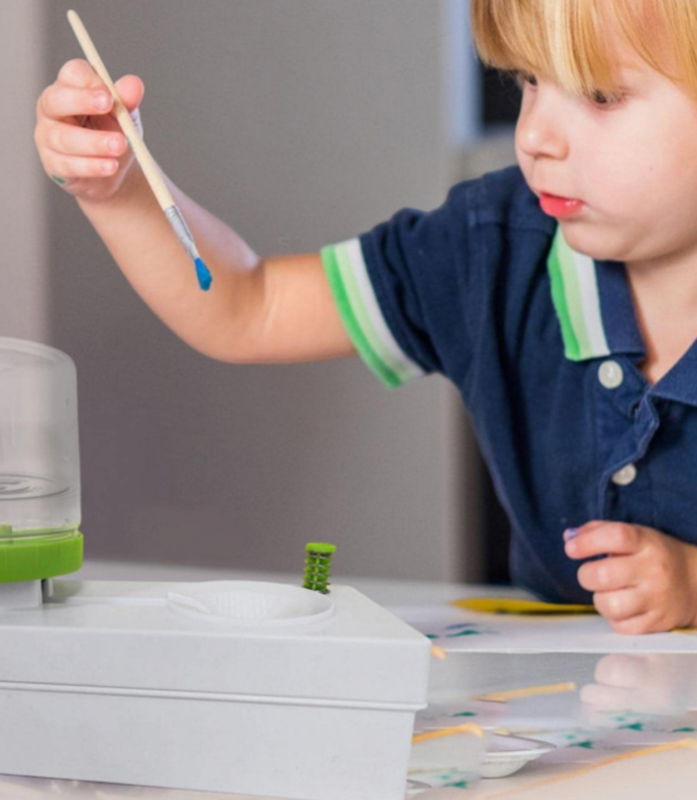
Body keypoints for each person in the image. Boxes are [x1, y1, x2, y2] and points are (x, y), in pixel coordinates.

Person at [34, 0, 697, 635]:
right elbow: (250, 306)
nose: (534, 137)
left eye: (600, 96)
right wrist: (120, 191)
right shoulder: (488, 246)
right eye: (527, 80)